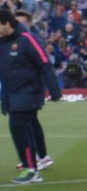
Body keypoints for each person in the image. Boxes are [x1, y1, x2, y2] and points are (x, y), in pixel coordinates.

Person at [1, 8, 61, 184]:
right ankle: (34, 164)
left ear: (6, 24)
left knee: (18, 126)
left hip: (29, 92)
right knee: (24, 128)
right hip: (12, 93)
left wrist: (54, 90)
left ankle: (31, 169)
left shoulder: (27, 39)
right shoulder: (3, 42)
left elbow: (44, 63)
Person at [12, 10, 53, 172]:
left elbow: (42, 63)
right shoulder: (18, 39)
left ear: (29, 23)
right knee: (30, 122)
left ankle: (38, 157)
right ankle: (38, 156)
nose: (19, 25)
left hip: (31, 88)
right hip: (23, 88)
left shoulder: (33, 39)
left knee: (28, 122)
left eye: (22, 22)